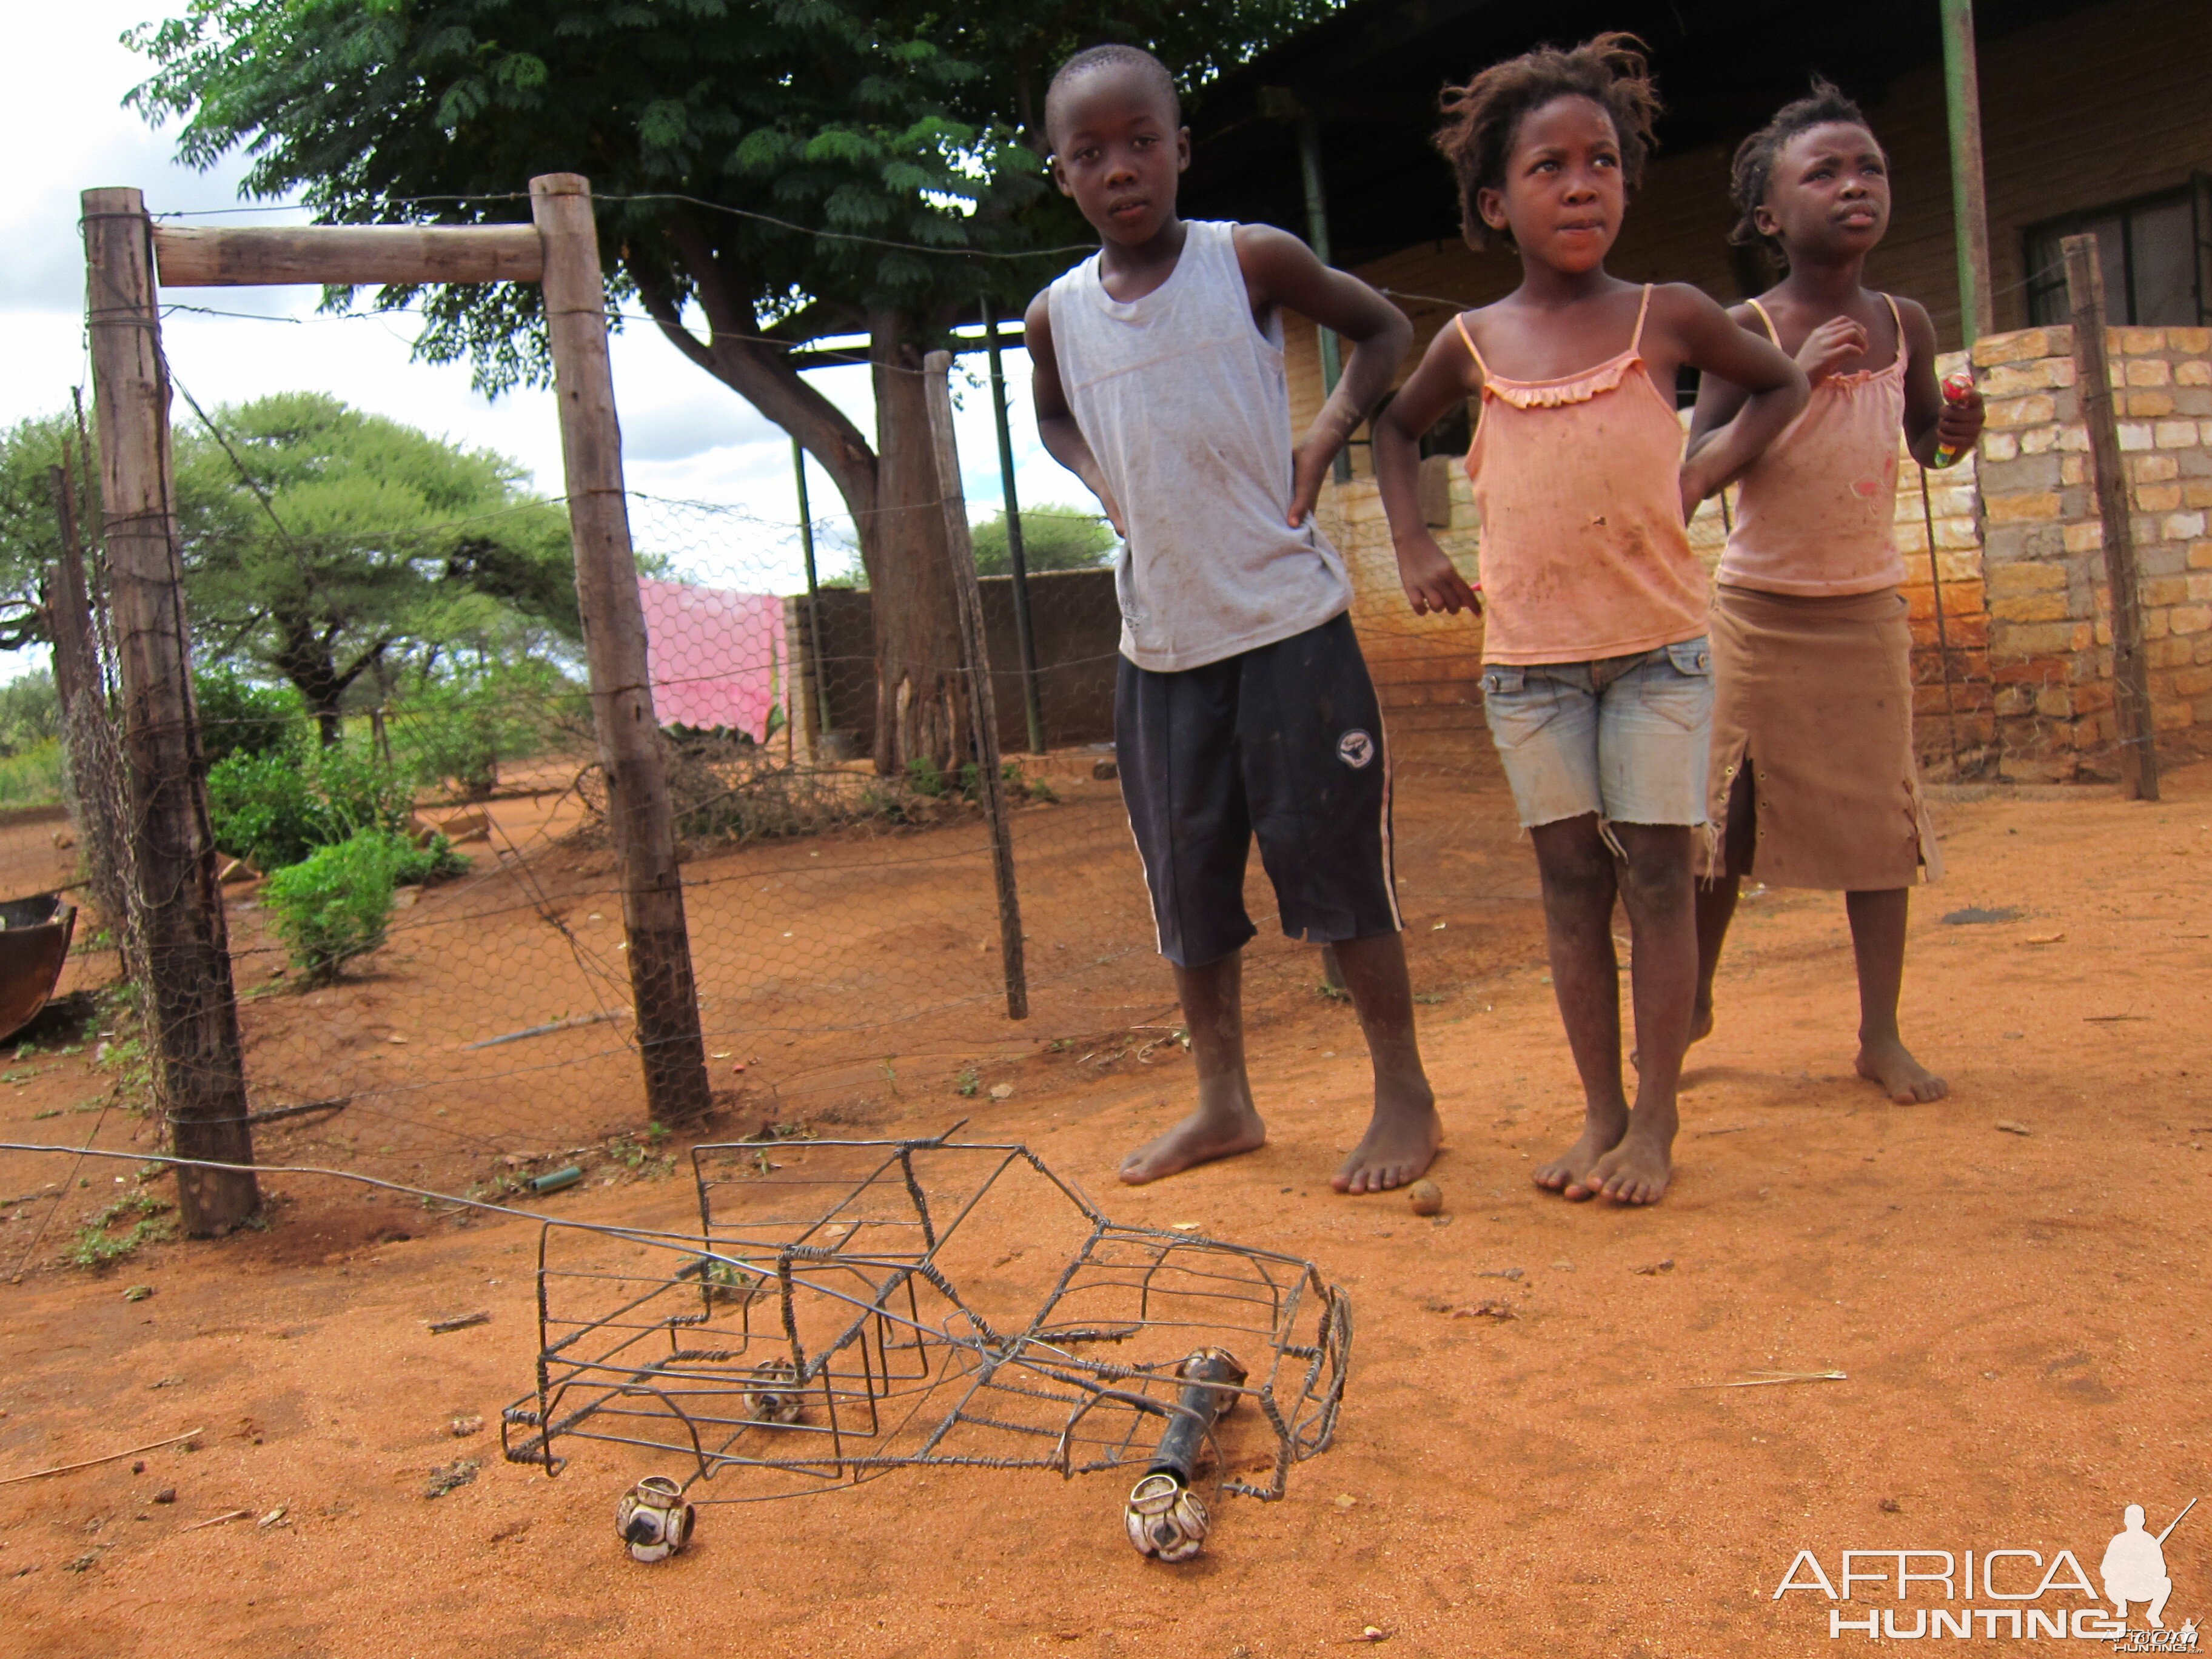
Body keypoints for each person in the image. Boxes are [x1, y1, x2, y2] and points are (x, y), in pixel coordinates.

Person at [1373, 34, 1806, 1206]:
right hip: (1529, 668)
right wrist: (1415, 544)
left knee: (1661, 875)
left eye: (1601, 161)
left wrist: (1701, 473)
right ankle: (1599, 1113)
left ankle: (1656, 1120)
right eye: (1548, 167)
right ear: (1492, 204)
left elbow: (1782, 384)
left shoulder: (1666, 315)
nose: (1579, 185)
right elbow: (1392, 426)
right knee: (1570, 884)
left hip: (1659, 656)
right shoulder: (1470, 343)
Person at [1025, 44, 1437, 1194]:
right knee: (1187, 881)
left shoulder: (1246, 259)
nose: (1120, 170)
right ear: (1058, 171)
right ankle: (1222, 1101)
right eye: (1090, 153)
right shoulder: (1053, 315)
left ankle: (1402, 1091)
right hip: (1158, 648)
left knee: (1335, 864)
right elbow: (1054, 420)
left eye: (1141, 142)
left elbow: (1385, 331)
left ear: (1180, 148)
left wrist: (1323, 435)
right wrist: (1100, 481)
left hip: (1289, 628)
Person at [1684, 82, 1983, 1104]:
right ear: (1770, 216)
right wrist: (1792, 380)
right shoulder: (1746, 325)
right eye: (1823, 173)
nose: (1852, 186)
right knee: (1722, 820)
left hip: (1864, 610)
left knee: (1876, 826)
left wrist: (1954, 435)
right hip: (1758, 613)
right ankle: (1691, 1001)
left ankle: (1878, 1033)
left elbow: (1918, 447)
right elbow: (1701, 468)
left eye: (1869, 169)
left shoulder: (1904, 321)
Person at [2101, 1504, 2174, 1627]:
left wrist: (2144, 1568)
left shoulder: (2149, 1541)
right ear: (2143, 1521)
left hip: (2144, 1589)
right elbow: (2105, 1570)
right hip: (2123, 1588)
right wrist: (2124, 1569)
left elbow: (2162, 1571)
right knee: (2109, 1582)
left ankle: (2153, 1614)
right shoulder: (2119, 1541)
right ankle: (2121, 1605)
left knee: (2166, 1582)